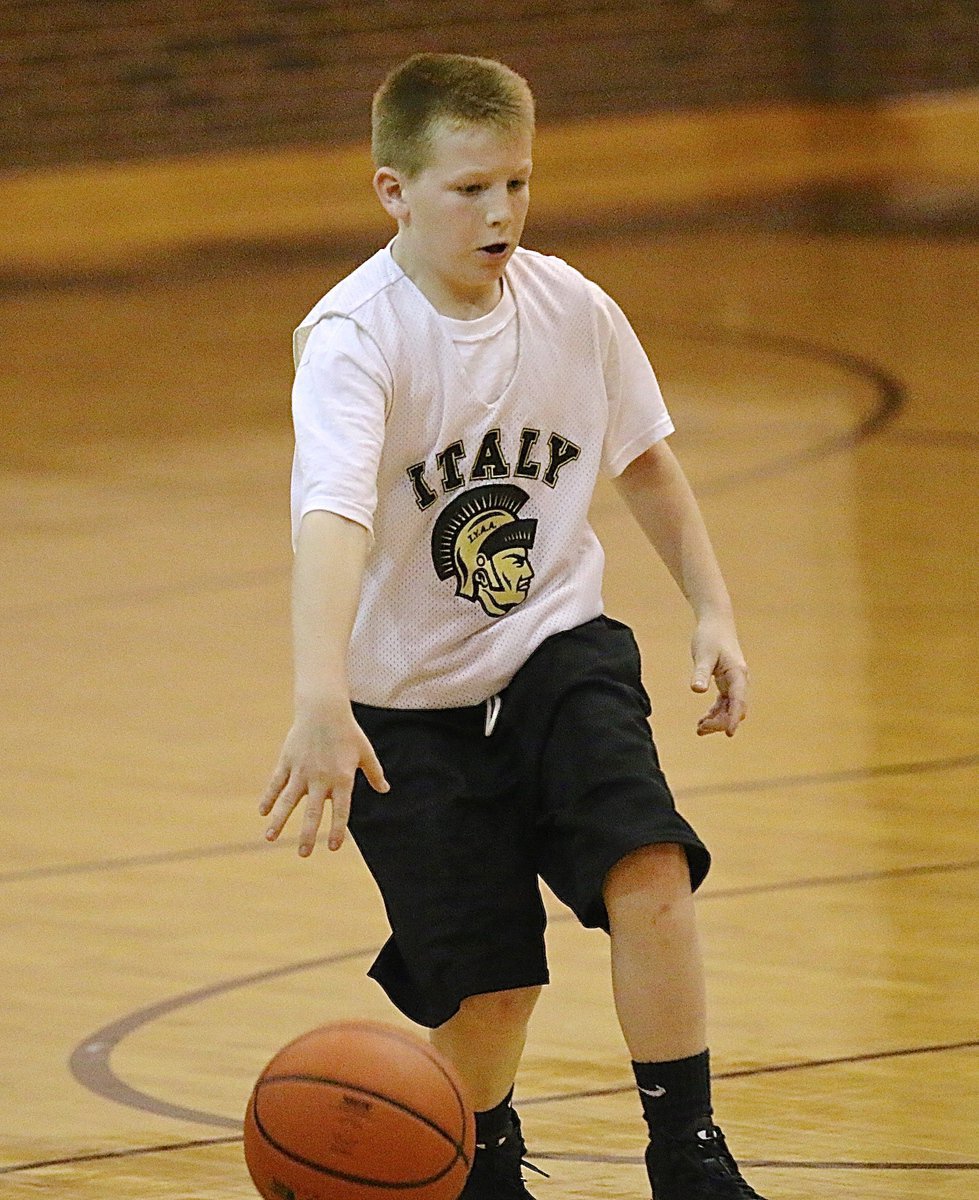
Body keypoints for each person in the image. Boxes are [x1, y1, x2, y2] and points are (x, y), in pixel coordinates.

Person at [259, 51, 767, 1200]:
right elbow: (331, 520)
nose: (499, 214)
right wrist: (319, 692)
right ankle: (478, 1163)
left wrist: (712, 607)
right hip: (407, 708)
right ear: (393, 190)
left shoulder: (572, 308)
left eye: (517, 186)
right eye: (468, 189)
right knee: (490, 988)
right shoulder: (354, 340)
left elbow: (643, 462)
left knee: (650, 868)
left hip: (555, 651)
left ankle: (688, 1155)